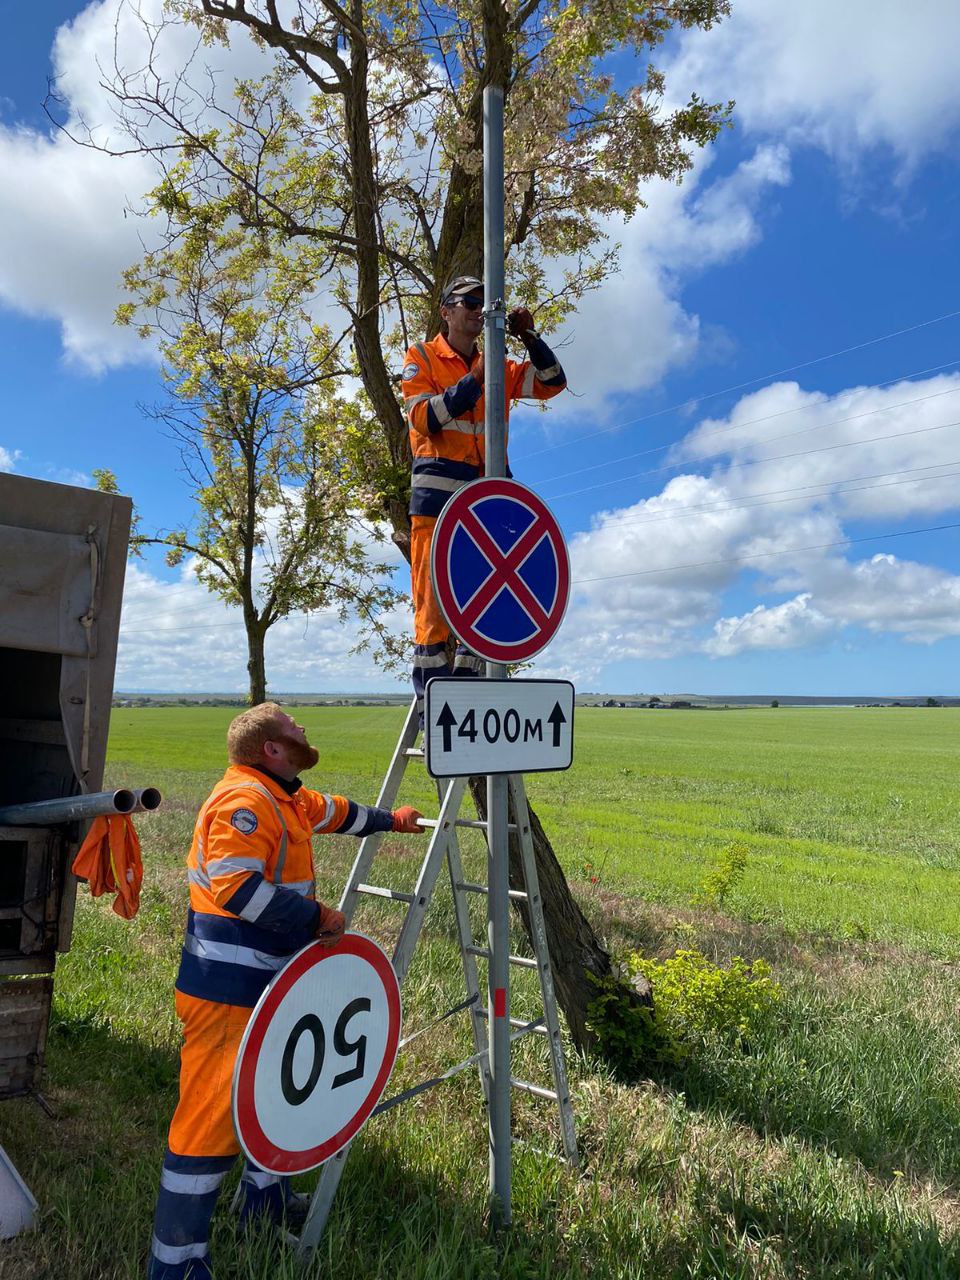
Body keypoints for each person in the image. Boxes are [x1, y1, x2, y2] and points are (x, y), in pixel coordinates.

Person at [147, 703, 424, 1280]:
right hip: (227, 989)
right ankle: (176, 1262)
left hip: (271, 983)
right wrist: (316, 916)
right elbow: (237, 891)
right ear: (272, 747)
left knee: (272, 1098)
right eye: (294, 725)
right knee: (210, 1119)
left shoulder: (287, 796)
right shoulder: (244, 803)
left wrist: (389, 820)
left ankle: (263, 1209)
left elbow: (335, 812)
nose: (304, 728)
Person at [401, 275, 567, 722]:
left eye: (482, 303)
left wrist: (529, 335)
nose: (477, 310)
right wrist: (476, 379)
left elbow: (553, 382)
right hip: (438, 500)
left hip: (487, 501)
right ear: (446, 311)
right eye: (467, 302)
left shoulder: (502, 366)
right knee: (433, 604)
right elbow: (424, 418)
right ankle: (433, 706)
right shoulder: (422, 356)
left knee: (485, 603)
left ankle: (471, 691)